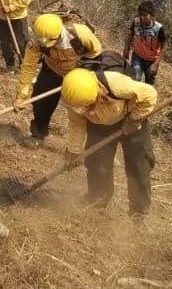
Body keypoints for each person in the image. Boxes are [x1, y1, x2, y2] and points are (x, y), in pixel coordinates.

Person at [60, 67, 158, 217]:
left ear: (98, 92)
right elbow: (77, 125)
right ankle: (97, 200)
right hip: (100, 125)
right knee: (97, 163)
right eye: (83, 109)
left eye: (89, 106)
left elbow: (150, 94)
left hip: (131, 119)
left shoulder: (116, 84)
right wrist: (73, 151)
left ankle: (139, 212)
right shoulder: (74, 97)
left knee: (139, 167)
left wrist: (133, 120)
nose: (87, 111)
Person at [15, 12, 102, 141]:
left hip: (76, 74)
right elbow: (28, 67)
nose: (41, 43)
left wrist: (85, 72)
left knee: (80, 109)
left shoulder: (80, 36)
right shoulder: (37, 42)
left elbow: (96, 53)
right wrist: (22, 93)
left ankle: (85, 143)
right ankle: (39, 133)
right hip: (52, 69)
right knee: (40, 101)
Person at [123, 1, 166, 85]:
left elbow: (164, 47)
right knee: (135, 78)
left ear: (152, 16)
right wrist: (126, 51)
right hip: (138, 56)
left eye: (145, 15)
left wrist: (156, 64)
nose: (142, 17)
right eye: (140, 15)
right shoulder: (136, 22)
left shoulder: (159, 29)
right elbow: (130, 36)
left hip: (152, 59)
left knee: (149, 83)